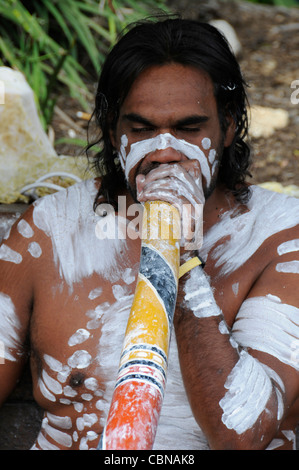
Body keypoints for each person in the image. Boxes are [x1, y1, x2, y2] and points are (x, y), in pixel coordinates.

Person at [0, 16, 298, 451]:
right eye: (140, 129)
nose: (163, 151)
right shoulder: (51, 231)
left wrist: (181, 258)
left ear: (229, 125)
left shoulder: (281, 237)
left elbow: (243, 435)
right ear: (111, 128)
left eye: (189, 128)